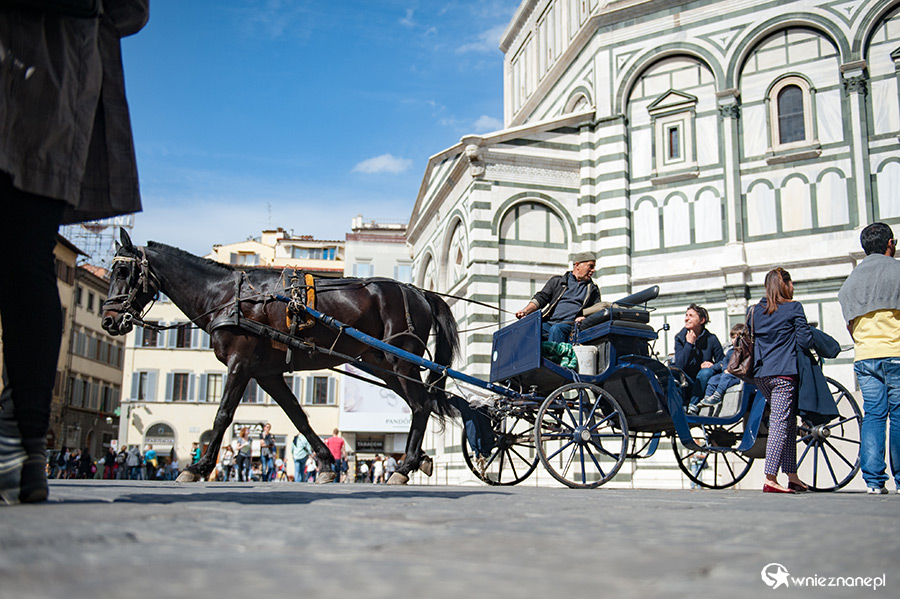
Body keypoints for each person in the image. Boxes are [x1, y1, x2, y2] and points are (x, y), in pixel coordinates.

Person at [0, 2, 149, 505]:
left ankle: (19, 438)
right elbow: (132, 11)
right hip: (59, 82)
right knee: (28, 258)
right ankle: (23, 444)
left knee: (26, 258)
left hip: (41, 71)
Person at [838, 222, 900, 494]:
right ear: (890, 244)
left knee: (874, 414)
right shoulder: (897, 270)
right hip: (895, 352)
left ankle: (874, 482)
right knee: (898, 415)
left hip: (865, 357)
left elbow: (850, 325)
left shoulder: (851, 281)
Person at [751, 268, 812, 493]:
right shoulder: (794, 307)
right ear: (784, 285)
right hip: (784, 374)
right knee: (780, 422)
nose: (793, 286)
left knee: (788, 422)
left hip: (761, 375)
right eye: (791, 282)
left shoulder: (754, 311)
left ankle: (792, 475)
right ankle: (770, 477)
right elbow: (805, 340)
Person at [515, 252, 602, 343]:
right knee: (528, 329)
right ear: (577, 265)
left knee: (556, 329)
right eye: (590, 266)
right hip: (549, 323)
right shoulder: (558, 281)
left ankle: (553, 352)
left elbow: (596, 310)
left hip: (571, 326)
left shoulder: (593, 289)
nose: (593, 270)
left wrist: (584, 318)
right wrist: (525, 311)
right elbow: (541, 298)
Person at [687, 323, 747, 414]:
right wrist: (711, 366)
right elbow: (722, 363)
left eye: (738, 337)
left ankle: (717, 395)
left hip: (735, 375)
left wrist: (731, 371)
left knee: (725, 377)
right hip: (725, 373)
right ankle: (707, 397)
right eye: (733, 337)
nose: (735, 340)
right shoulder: (730, 351)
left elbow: (743, 364)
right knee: (713, 379)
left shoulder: (743, 351)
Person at [673, 304, 724, 407]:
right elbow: (679, 365)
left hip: (703, 382)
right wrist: (689, 344)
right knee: (673, 373)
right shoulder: (680, 338)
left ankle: (693, 405)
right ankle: (679, 406)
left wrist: (712, 366)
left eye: (691, 316)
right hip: (686, 381)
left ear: (702, 320)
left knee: (706, 372)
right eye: (686, 315)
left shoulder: (711, 339)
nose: (686, 319)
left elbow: (723, 362)